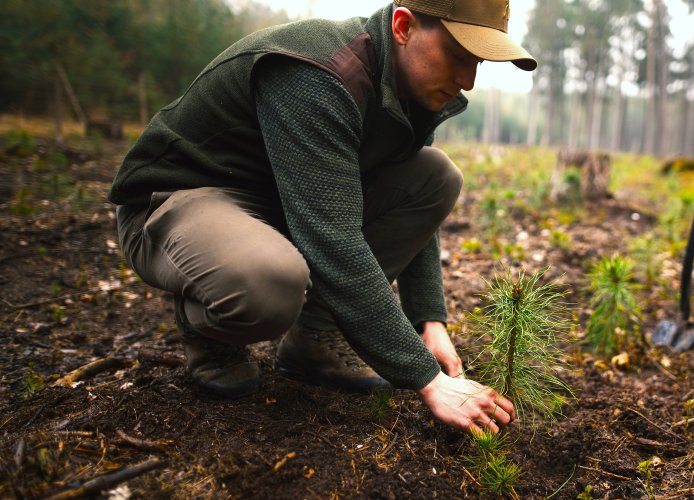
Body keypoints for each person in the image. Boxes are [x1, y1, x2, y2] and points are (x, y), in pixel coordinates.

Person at [108, 0, 536, 435]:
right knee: (271, 282)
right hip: (180, 199)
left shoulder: (410, 86)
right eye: (458, 56)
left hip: (281, 201)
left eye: (478, 62)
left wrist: (430, 320)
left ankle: (315, 341)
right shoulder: (321, 75)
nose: (467, 80)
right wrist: (428, 379)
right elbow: (333, 239)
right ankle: (211, 335)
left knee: (436, 175)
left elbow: (401, 201)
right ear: (404, 27)